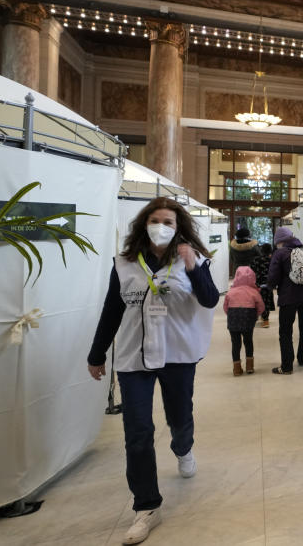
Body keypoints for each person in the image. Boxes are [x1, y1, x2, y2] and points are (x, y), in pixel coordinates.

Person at [86, 197, 219, 545]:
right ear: (144, 223)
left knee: (179, 417)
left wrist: (191, 267)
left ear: (179, 229)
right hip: (134, 358)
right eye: (156, 220)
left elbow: (209, 300)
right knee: (138, 432)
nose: (162, 226)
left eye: (170, 222)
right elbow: (111, 311)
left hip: (178, 354)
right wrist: (96, 353)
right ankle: (146, 507)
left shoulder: (195, 260)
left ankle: (183, 447)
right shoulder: (125, 264)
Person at [267, 226, 303, 375]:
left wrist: (269, 287)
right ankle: (302, 358)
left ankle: (287, 366)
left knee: (285, 331)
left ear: (279, 241)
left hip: (289, 297)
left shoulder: (279, 253)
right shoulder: (302, 250)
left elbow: (273, 276)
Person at [223, 265, 264, 376]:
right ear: (252, 277)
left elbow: (225, 307)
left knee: (235, 343)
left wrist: (231, 315)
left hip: (233, 317)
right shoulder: (254, 292)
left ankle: (236, 369)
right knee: (248, 341)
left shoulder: (231, 292)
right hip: (248, 317)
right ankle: (249, 366)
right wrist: (255, 316)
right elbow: (261, 306)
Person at [250, 242, 275, 328]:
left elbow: (251, 272)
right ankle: (265, 320)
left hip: (257, 285)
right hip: (268, 285)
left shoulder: (255, 260)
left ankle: (254, 318)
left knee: (256, 301)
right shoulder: (272, 260)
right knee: (266, 302)